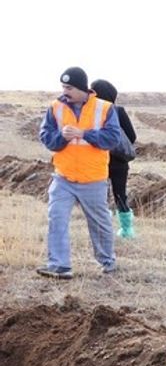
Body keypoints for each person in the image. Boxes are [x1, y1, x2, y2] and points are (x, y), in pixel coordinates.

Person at [37, 67, 122, 280]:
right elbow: (46, 137)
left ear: (82, 88)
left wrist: (84, 134)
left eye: (69, 87)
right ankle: (59, 265)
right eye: (63, 87)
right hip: (63, 176)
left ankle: (107, 262)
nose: (64, 91)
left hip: (93, 178)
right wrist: (61, 137)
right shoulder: (55, 108)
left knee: (99, 222)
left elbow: (112, 139)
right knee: (56, 218)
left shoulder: (104, 108)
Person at [91, 79, 138, 239]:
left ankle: (102, 231)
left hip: (98, 161)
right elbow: (131, 136)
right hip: (119, 162)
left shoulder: (91, 113)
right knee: (120, 195)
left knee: (100, 197)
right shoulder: (119, 111)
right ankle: (127, 231)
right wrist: (118, 147)